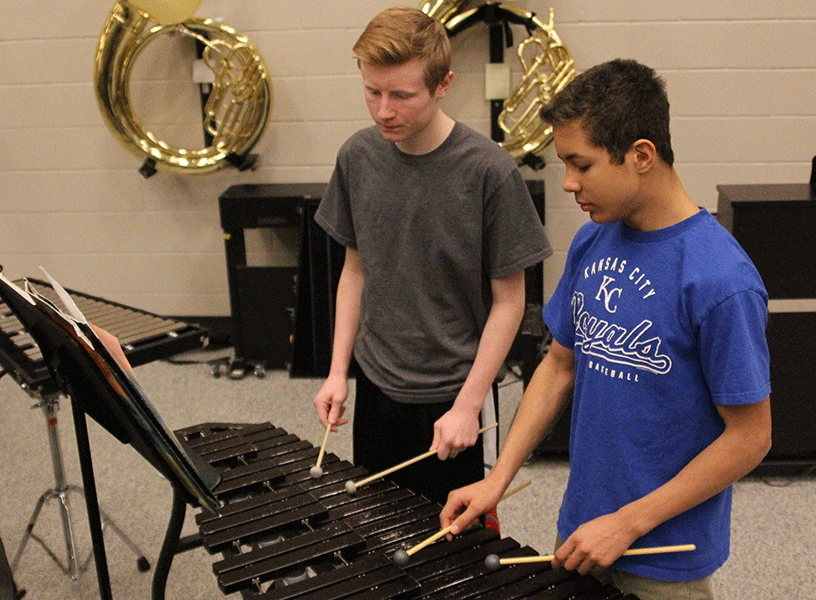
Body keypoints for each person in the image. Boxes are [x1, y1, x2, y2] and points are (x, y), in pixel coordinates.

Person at [439, 59, 772, 600]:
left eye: (581, 165)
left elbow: (751, 438)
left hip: (663, 552)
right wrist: (496, 480)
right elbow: (559, 365)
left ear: (640, 155)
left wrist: (629, 522)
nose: (568, 183)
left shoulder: (719, 279)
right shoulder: (594, 241)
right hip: (583, 528)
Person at [311, 6, 552, 506]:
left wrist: (470, 404)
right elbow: (355, 271)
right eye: (371, 92)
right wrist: (338, 372)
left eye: (401, 95)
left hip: (452, 394)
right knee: (376, 526)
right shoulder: (357, 157)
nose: (383, 111)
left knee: (449, 545)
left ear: (443, 85)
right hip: (376, 380)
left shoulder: (489, 172)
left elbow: (510, 303)